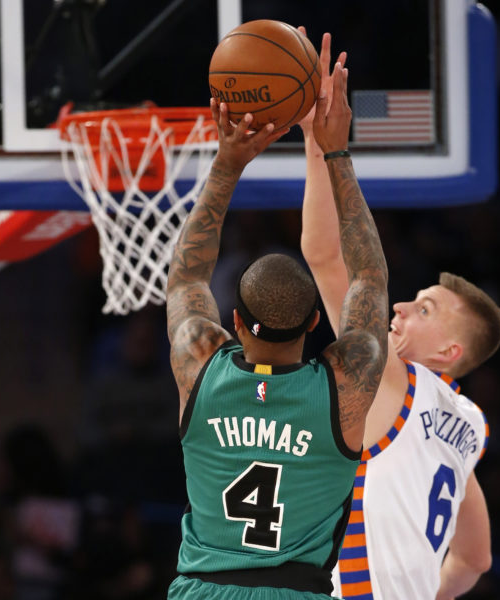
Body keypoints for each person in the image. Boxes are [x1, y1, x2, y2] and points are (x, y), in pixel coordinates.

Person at [165, 57, 389, 599]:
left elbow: (186, 277)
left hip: (202, 590)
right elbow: (369, 278)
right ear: (316, 323)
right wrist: (333, 148)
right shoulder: (344, 384)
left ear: (234, 321)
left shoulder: (199, 361)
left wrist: (227, 164)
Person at [299, 32, 500, 600]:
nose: (400, 306)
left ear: (449, 354)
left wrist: (319, 146)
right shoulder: (466, 429)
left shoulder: (400, 378)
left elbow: (324, 256)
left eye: (424, 309)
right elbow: (475, 557)